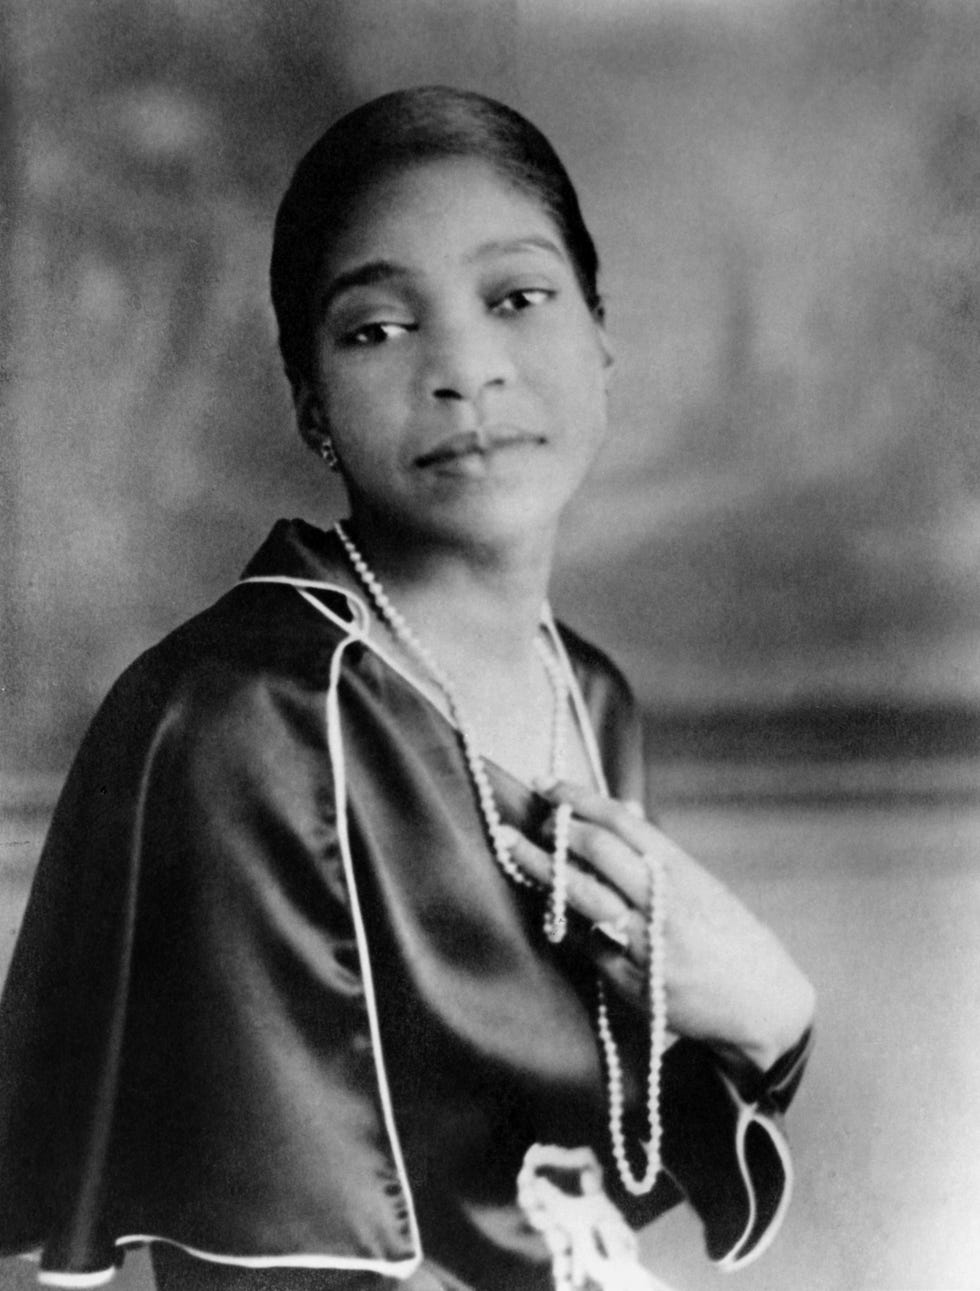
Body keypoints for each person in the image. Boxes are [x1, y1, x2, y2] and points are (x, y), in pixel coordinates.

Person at [0, 87, 815, 1291]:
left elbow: (601, 1165)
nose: (463, 371)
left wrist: (773, 1009)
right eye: (375, 329)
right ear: (310, 406)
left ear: (600, 336)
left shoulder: (584, 690)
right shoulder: (243, 720)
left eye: (516, 299)